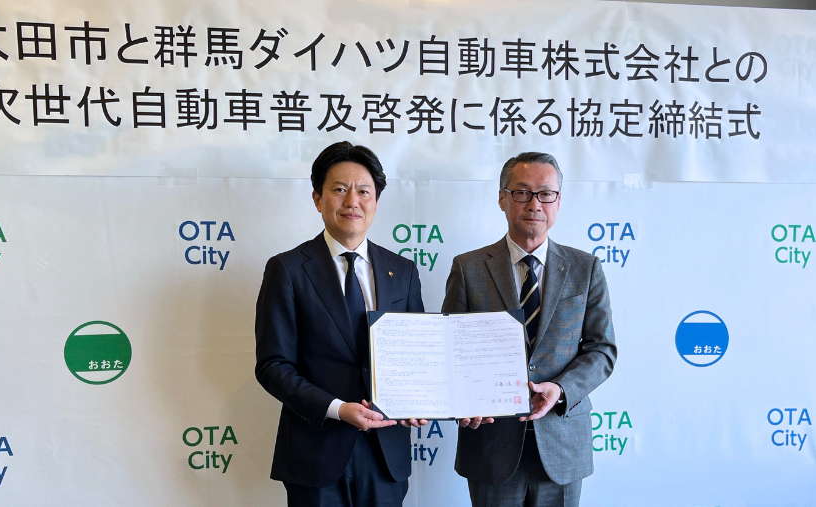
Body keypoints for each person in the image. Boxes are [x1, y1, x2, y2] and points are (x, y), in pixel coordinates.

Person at [255, 141, 426, 507]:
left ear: (376, 201)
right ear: (318, 199)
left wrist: (422, 398)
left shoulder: (403, 272)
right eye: (339, 189)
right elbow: (273, 365)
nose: (352, 201)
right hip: (316, 451)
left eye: (364, 191)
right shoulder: (288, 270)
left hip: (386, 453)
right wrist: (337, 408)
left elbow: (418, 356)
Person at [442, 152, 617, 507]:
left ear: (558, 201)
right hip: (490, 443)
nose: (535, 204)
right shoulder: (468, 268)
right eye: (522, 192)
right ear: (502, 198)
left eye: (546, 194)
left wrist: (561, 389)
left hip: (562, 441)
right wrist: (463, 402)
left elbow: (602, 350)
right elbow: (449, 351)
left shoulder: (586, 268)